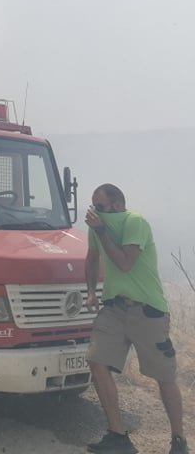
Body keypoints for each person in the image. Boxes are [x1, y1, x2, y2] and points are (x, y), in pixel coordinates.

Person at [84, 183, 187, 454]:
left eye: (100, 207)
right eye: (93, 206)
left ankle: (179, 441)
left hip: (147, 312)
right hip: (114, 309)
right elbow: (92, 258)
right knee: (96, 361)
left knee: (164, 376)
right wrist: (91, 292)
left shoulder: (135, 222)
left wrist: (101, 231)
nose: (95, 212)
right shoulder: (96, 228)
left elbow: (124, 263)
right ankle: (118, 436)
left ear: (118, 205)